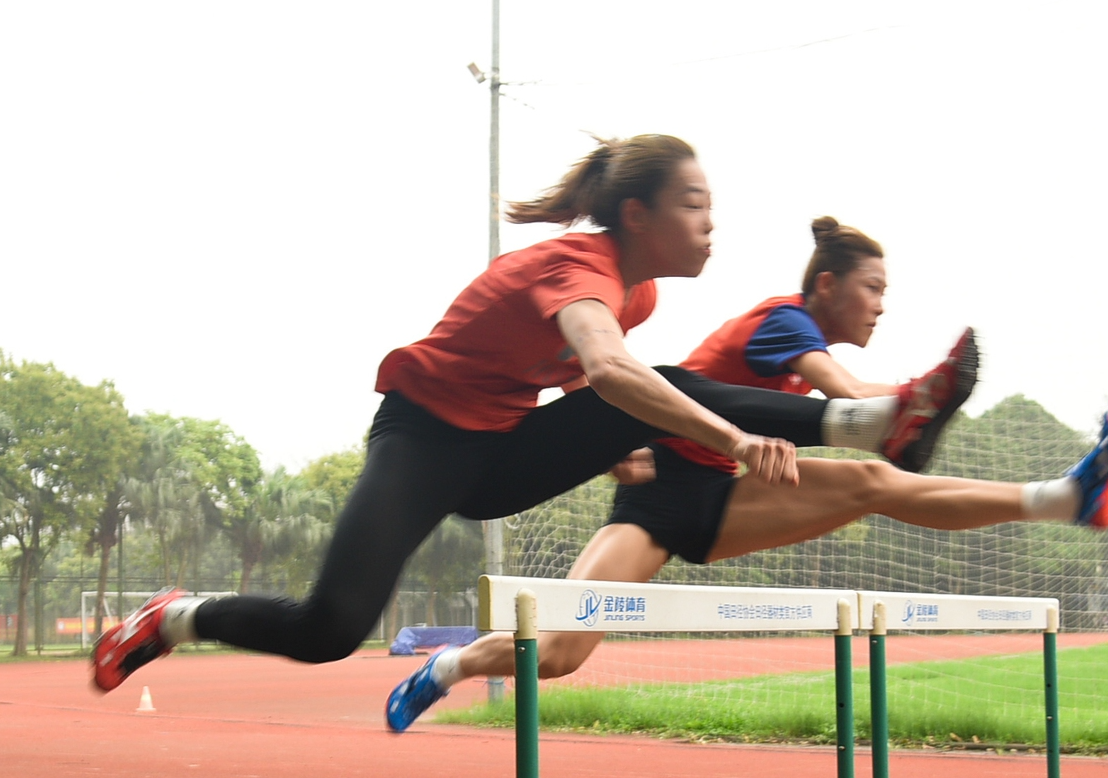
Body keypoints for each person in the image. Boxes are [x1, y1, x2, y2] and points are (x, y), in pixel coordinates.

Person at [90, 137, 973, 692]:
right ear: (638, 213)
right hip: (425, 441)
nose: (712, 225)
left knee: (646, 387)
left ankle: (875, 422)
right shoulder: (575, 270)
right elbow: (605, 370)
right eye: (695, 206)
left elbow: (587, 386)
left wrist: (618, 438)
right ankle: (172, 617)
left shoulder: (641, 295)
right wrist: (734, 438)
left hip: (503, 453)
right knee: (328, 631)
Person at [384, 217, 1108, 731]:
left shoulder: (802, 335)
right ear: (829, 284)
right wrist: (920, 396)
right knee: (558, 649)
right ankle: (444, 667)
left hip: (723, 492)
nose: (879, 305)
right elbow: (851, 396)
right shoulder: (784, 322)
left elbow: (863, 405)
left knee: (871, 486)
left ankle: (1067, 496)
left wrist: (922, 400)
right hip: (661, 497)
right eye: (872, 289)